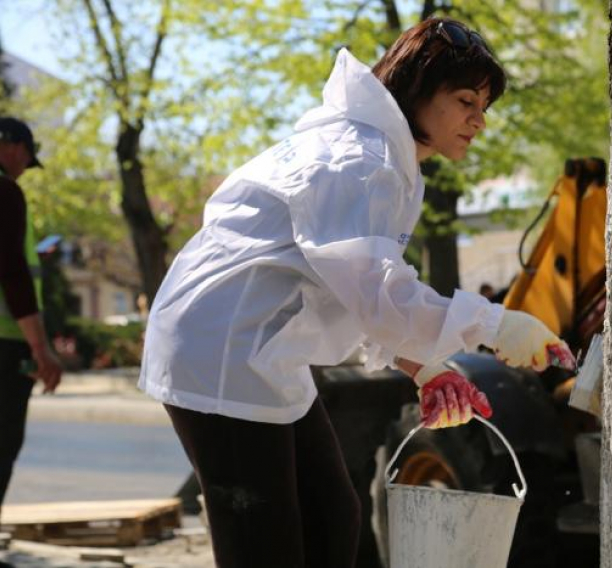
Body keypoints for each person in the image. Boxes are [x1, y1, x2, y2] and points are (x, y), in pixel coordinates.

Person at [139, 17, 574, 568]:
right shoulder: (360, 162)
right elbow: (378, 293)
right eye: (466, 100)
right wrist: (495, 325)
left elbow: (352, 288)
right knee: (263, 539)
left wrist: (425, 367)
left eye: (483, 106)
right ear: (418, 90)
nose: (478, 121)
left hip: (259, 346)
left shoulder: (379, 154)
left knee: (332, 516)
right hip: (220, 351)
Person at [0, 117, 63, 545]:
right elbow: (13, 272)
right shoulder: (4, 191)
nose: (24, 169)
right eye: (26, 159)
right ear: (15, 147)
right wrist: (42, 349)